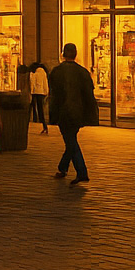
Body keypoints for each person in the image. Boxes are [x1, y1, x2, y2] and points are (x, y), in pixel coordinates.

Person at [48, 44, 99, 184]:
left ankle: (81, 172)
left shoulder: (56, 72)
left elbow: (54, 95)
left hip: (63, 112)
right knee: (71, 139)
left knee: (70, 141)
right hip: (78, 112)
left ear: (63, 54)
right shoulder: (83, 72)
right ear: (76, 54)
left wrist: (52, 115)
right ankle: (63, 167)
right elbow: (89, 95)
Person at [28, 63, 49, 133]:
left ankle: (33, 119)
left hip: (35, 93)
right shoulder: (43, 73)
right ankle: (44, 125)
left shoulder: (35, 74)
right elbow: (45, 83)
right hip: (41, 93)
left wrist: (31, 92)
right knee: (41, 109)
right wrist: (46, 92)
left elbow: (32, 84)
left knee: (31, 107)